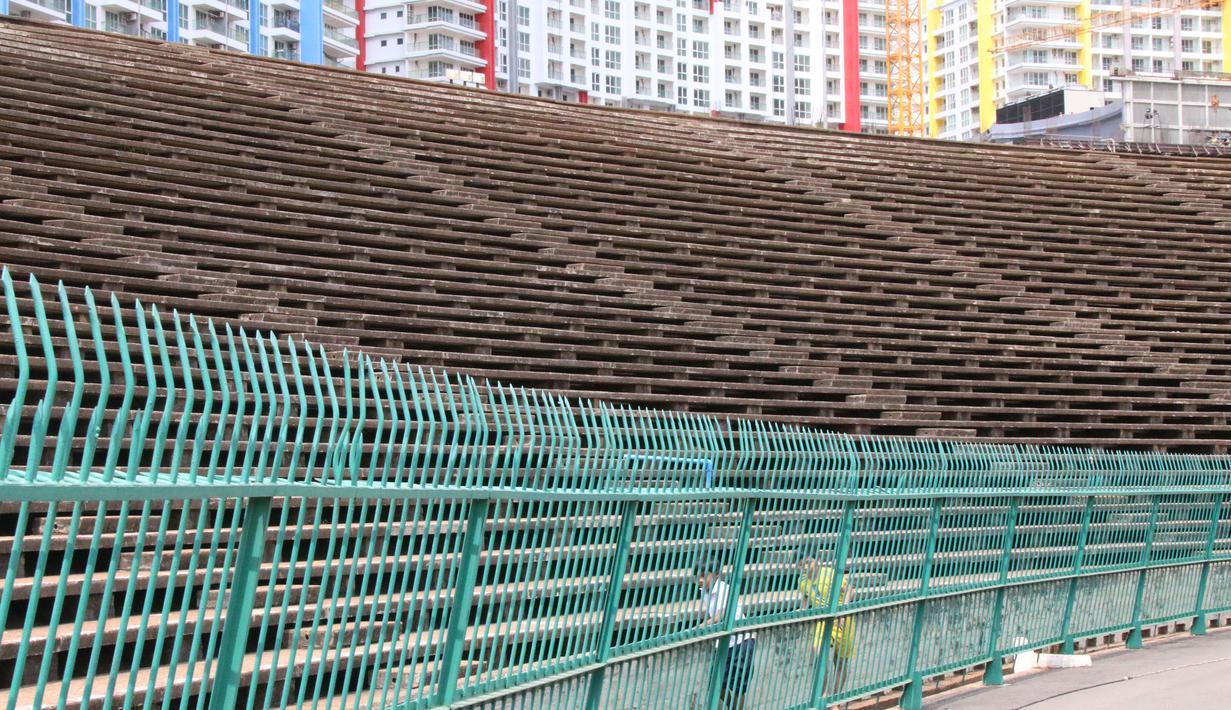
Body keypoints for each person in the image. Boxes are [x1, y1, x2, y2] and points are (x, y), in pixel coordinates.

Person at [694, 555, 756, 710]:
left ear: (716, 574)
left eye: (704, 576)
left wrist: (702, 626)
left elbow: (721, 614)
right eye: (697, 576)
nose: (700, 580)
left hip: (742, 641)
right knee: (716, 683)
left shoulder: (724, 589)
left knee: (739, 687)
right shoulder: (704, 592)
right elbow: (712, 613)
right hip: (724, 643)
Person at [796, 549, 854, 693]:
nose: (805, 567)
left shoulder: (830, 574)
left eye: (808, 563)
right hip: (822, 621)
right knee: (820, 655)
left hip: (842, 621)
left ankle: (834, 698)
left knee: (840, 662)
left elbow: (850, 590)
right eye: (801, 565)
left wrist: (843, 612)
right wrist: (802, 610)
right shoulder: (802, 581)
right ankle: (822, 696)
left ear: (817, 560)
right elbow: (806, 596)